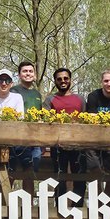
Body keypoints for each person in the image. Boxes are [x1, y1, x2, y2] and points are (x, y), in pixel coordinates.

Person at [42, 67, 85, 198]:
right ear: (55, 81)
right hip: (58, 145)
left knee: (79, 177)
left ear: (70, 80)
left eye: (66, 78)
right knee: (59, 177)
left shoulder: (80, 99)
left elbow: (86, 120)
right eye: (59, 79)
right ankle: (59, 209)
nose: (63, 81)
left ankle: (78, 209)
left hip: (78, 144)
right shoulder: (50, 100)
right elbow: (45, 120)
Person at [10, 61, 44, 179]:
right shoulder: (13, 91)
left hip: (34, 139)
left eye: (30, 71)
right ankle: (6, 198)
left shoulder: (37, 94)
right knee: (11, 171)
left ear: (34, 75)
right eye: (25, 71)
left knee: (30, 172)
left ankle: (28, 198)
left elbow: (40, 116)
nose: (28, 74)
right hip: (17, 138)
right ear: (19, 75)